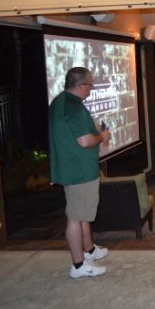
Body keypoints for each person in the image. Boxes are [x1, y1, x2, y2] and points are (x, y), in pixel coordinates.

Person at [49, 67, 111, 278]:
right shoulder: (74, 107)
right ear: (80, 85)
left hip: (72, 169)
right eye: (90, 85)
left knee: (82, 213)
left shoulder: (59, 102)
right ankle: (78, 265)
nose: (91, 89)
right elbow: (85, 141)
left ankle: (90, 250)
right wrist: (102, 136)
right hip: (79, 171)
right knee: (75, 217)